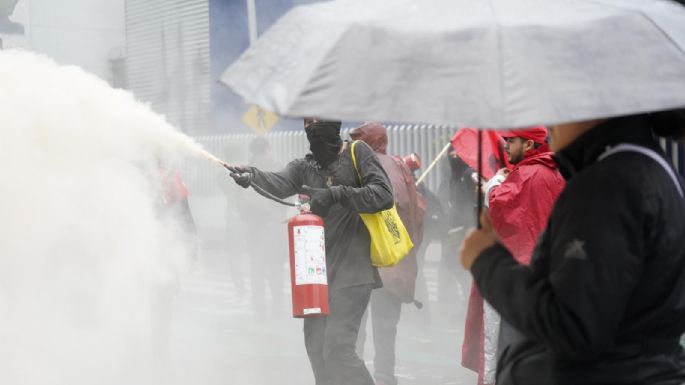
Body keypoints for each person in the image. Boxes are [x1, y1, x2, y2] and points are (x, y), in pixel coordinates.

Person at [460, 110, 685, 385]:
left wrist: (487, 261)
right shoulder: (654, 170)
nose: (550, 122)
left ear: (594, 109)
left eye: (562, 107)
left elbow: (573, 325)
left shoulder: (607, 186)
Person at [227, 119, 394, 385]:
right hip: (316, 275)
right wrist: (252, 175)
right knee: (317, 352)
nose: (313, 130)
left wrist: (336, 194)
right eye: (308, 126)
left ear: (334, 126)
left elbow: (383, 194)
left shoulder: (357, 153)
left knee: (338, 350)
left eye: (319, 124)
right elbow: (278, 182)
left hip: (353, 271)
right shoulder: (304, 166)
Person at [461, 126, 565, 385]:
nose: (505, 145)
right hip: (550, 278)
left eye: (511, 140)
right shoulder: (558, 172)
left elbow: (497, 206)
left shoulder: (526, 175)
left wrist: (494, 182)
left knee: (499, 347)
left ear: (529, 145)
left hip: (513, 278)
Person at [350, 122, 426, 385]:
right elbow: (417, 212)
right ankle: (384, 379)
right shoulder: (400, 167)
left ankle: (354, 377)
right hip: (394, 263)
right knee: (385, 330)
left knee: (354, 329)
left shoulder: (356, 166)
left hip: (361, 262)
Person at [237, 137, 285, 319]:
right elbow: (286, 195)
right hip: (274, 227)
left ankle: (259, 311)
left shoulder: (244, 171)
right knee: (275, 270)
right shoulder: (277, 167)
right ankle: (277, 309)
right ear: (266, 148)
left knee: (257, 269)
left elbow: (238, 200)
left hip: (253, 228)